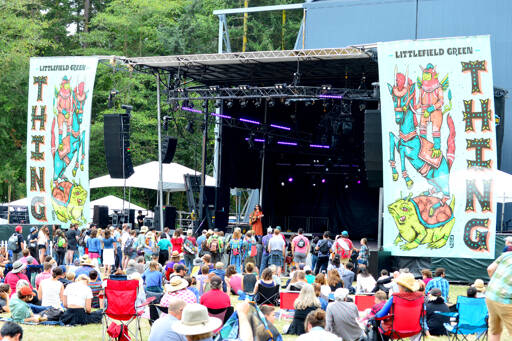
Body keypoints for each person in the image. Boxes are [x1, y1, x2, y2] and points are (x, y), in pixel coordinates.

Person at [376, 273, 424, 338]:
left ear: (400, 286)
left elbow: (380, 315)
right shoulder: (420, 297)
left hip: (394, 331)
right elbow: (423, 314)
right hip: (415, 330)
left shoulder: (395, 297)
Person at [486, 249, 512, 341]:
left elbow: (490, 269)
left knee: (495, 331)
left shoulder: (507, 254)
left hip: (490, 295)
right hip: (506, 300)